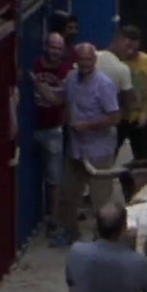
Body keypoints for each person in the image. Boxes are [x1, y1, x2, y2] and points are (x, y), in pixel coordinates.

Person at [54, 43, 123, 246]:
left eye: (88, 60)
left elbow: (114, 116)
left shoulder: (104, 84)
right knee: (68, 194)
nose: (84, 63)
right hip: (76, 150)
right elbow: (59, 98)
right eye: (81, 59)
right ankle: (70, 232)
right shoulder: (71, 79)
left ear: (94, 60)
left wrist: (88, 125)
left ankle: (103, 240)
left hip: (99, 151)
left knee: (100, 200)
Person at [31, 31, 74, 240]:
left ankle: (54, 220)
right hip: (31, 126)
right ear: (45, 47)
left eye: (59, 48)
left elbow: (58, 101)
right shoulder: (35, 64)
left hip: (53, 130)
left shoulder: (66, 71)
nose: (55, 51)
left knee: (54, 178)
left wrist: (37, 84)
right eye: (52, 47)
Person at [118, 26, 147, 162]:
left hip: (139, 117)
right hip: (118, 117)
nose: (130, 45)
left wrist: (146, 113)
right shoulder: (115, 62)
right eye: (127, 41)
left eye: (134, 41)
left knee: (143, 159)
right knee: (108, 156)